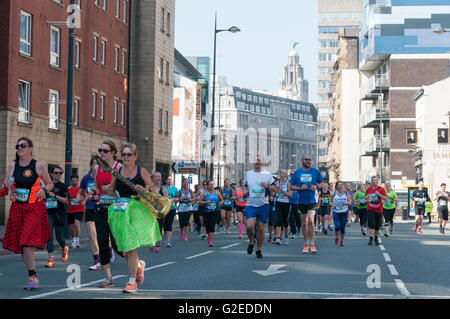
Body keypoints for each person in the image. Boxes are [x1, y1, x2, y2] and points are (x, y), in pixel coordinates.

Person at [106, 143, 161, 293]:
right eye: (123, 154)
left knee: (130, 248)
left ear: (135, 156)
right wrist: (107, 190)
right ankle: (138, 266)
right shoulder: (116, 171)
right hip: (120, 212)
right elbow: (112, 192)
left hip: (137, 213)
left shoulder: (141, 171)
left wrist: (144, 190)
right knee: (124, 250)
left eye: (129, 154)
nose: (125, 157)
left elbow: (154, 193)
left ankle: (131, 282)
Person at [1, 137, 53, 290]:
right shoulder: (12, 166)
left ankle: (33, 277)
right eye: (17, 145)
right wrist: (7, 188)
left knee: (26, 241)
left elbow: (50, 183)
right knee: (22, 246)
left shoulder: (38, 166)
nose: (19, 148)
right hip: (17, 209)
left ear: (30, 148)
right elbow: (5, 186)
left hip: (34, 208)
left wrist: (44, 190)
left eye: (23, 145)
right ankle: (32, 274)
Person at [93, 140, 123, 288]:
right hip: (101, 210)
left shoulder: (119, 167)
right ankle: (108, 277)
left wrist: (112, 190)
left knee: (118, 244)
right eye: (100, 150)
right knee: (102, 242)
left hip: (117, 211)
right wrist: (94, 193)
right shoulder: (96, 167)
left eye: (105, 151)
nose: (102, 153)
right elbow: (96, 187)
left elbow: (124, 190)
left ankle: (136, 264)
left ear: (113, 153)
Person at [289, 155, 324, 254]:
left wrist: (316, 186)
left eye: (309, 159)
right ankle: (306, 243)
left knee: (311, 221)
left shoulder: (315, 172)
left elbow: (322, 183)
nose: (308, 161)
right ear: (302, 161)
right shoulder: (297, 172)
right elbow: (291, 186)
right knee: (304, 222)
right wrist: (300, 188)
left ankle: (312, 243)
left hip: (313, 200)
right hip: (301, 201)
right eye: (306, 159)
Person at [242, 155, 274, 259]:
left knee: (261, 228)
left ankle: (259, 249)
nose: (257, 161)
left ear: (263, 163)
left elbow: (275, 189)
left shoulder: (268, 175)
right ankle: (252, 241)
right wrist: (244, 191)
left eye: (259, 160)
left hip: (263, 205)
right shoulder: (248, 174)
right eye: (255, 160)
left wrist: (267, 187)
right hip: (251, 204)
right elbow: (244, 185)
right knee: (250, 227)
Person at [44, 166, 69, 268]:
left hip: (59, 214)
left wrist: (55, 196)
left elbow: (66, 201)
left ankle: (64, 247)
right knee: (48, 236)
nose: (58, 175)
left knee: (59, 237)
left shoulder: (63, 186)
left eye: (60, 173)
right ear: (51, 173)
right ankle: (50, 260)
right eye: (56, 173)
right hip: (48, 213)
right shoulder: (47, 186)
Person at [78, 158, 101, 270]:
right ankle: (97, 260)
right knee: (92, 235)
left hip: (102, 209)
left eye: (99, 165)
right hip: (90, 208)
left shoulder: (104, 178)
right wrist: (78, 199)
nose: (97, 167)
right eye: (95, 165)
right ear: (91, 166)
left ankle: (109, 249)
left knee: (104, 235)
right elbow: (80, 192)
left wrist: (99, 196)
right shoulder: (86, 178)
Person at [199, 180, 224, 247]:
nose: (212, 186)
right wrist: (206, 202)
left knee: (212, 226)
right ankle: (208, 237)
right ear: (207, 186)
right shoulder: (205, 193)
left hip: (214, 212)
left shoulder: (217, 192)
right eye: (210, 184)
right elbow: (200, 202)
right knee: (207, 226)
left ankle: (210, 241)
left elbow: (222, 200)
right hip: (206, 212)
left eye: (213, 184)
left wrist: (219, 203)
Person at [149, 172, 169, 252]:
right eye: (156, 176)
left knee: (159, 228)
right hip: (150, 211)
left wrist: (158, 195)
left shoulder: (163, 189)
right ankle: (152, 243)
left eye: (159, 177)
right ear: (153, 178)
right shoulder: (149, 188)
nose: (158, 178)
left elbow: (167, 200)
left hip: (160, 212)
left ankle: (158, 245)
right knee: (151, 227)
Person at [365, 176, 387, 246]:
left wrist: (379, 194)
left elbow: (385, 198)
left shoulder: (381, 189)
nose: (375, 181)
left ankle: (376, 238)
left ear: (378, 181)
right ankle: (371, 239)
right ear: (372, 181)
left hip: (378, 209)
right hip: (370, 208)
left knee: (377, 225)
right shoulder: (368, 189)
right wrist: (366, 198)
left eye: (376, 180)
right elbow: (366, 198)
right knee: (372, 224)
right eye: (374, 180)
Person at [331, 181, 351, 246]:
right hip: (336, 212)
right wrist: (333, 205)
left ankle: (342, 240)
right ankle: (336, 237)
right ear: (336, 186)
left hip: (344, 212)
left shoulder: (346, 193)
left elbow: (349, 201)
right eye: (339, 185)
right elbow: (330, 201)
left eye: (341, 185)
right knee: (337, 226)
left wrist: (347, 203)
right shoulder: (333, 193)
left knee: (342, 227)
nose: (340, 186)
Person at [274, 170, 291, 245]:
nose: (284, 175)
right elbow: (273, 193)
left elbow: (290, 195)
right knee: (278, 219)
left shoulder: (288, 183)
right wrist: (274, 193)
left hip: (286, 203)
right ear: (280, 175)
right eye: (282, 173)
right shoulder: (276, 183)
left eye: (285, 174)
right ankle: (278, 237)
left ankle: (286, 235)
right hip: (278, 202)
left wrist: (282, 191)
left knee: (285, 221)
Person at [67, 174, 84, 249]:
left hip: (79, 209)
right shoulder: (68, 189)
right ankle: (73, 240)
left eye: (75, 181)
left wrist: (84, 202)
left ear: (78, 181)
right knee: (71, 226)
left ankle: (77, 240)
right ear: (71, 181)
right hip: (70, 210)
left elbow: (86, 195)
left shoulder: (81, 189)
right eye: (73, 181)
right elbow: (66, 198)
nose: (74, 182)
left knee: (76, 224)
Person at [163, 176, 178, 247]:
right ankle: (166, 235)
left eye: (171, 179)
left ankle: (168, 241)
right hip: (164, 208)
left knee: (169, 224)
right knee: (164, 224)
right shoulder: (163, 188)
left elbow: (177, 197)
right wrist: (166, 198)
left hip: (172, 208)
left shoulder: (175, 188)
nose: (170, 180)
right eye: (168, 179)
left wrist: (175, 199)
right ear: (166, 181)